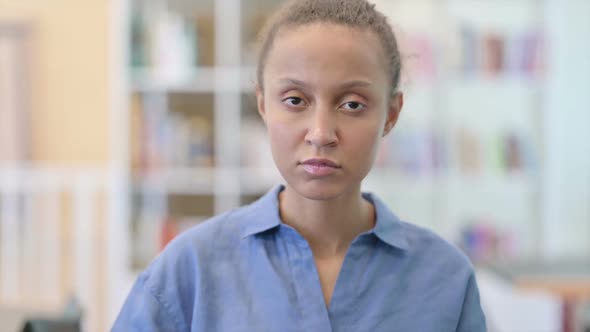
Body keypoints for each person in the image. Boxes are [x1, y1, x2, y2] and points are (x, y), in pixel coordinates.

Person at [112, 0, 487, 331]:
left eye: (352, 104)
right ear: (263, 105)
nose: (321, 133)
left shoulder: (446, 279)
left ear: (391, 113)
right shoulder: (189, 269)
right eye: (294, 100)